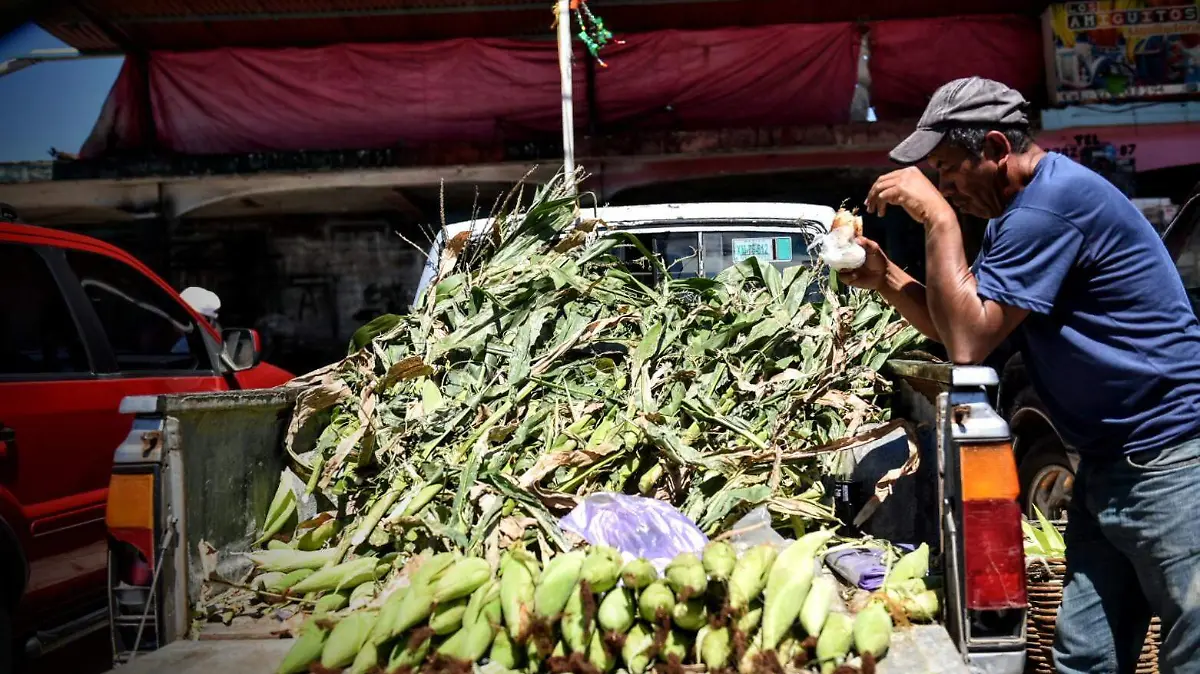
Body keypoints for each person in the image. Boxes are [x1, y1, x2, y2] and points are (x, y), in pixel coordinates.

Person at [841, 76, 1200, 674]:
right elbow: (959, 317)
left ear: (997, 148)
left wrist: (937, 220)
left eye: (951, 170)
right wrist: (887, 278)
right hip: (1108, 465)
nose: (948, 188)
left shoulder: (1050, 209)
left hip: (1169, 461)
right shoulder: (1021, 215)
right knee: (1085, 655)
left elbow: (967, 342)